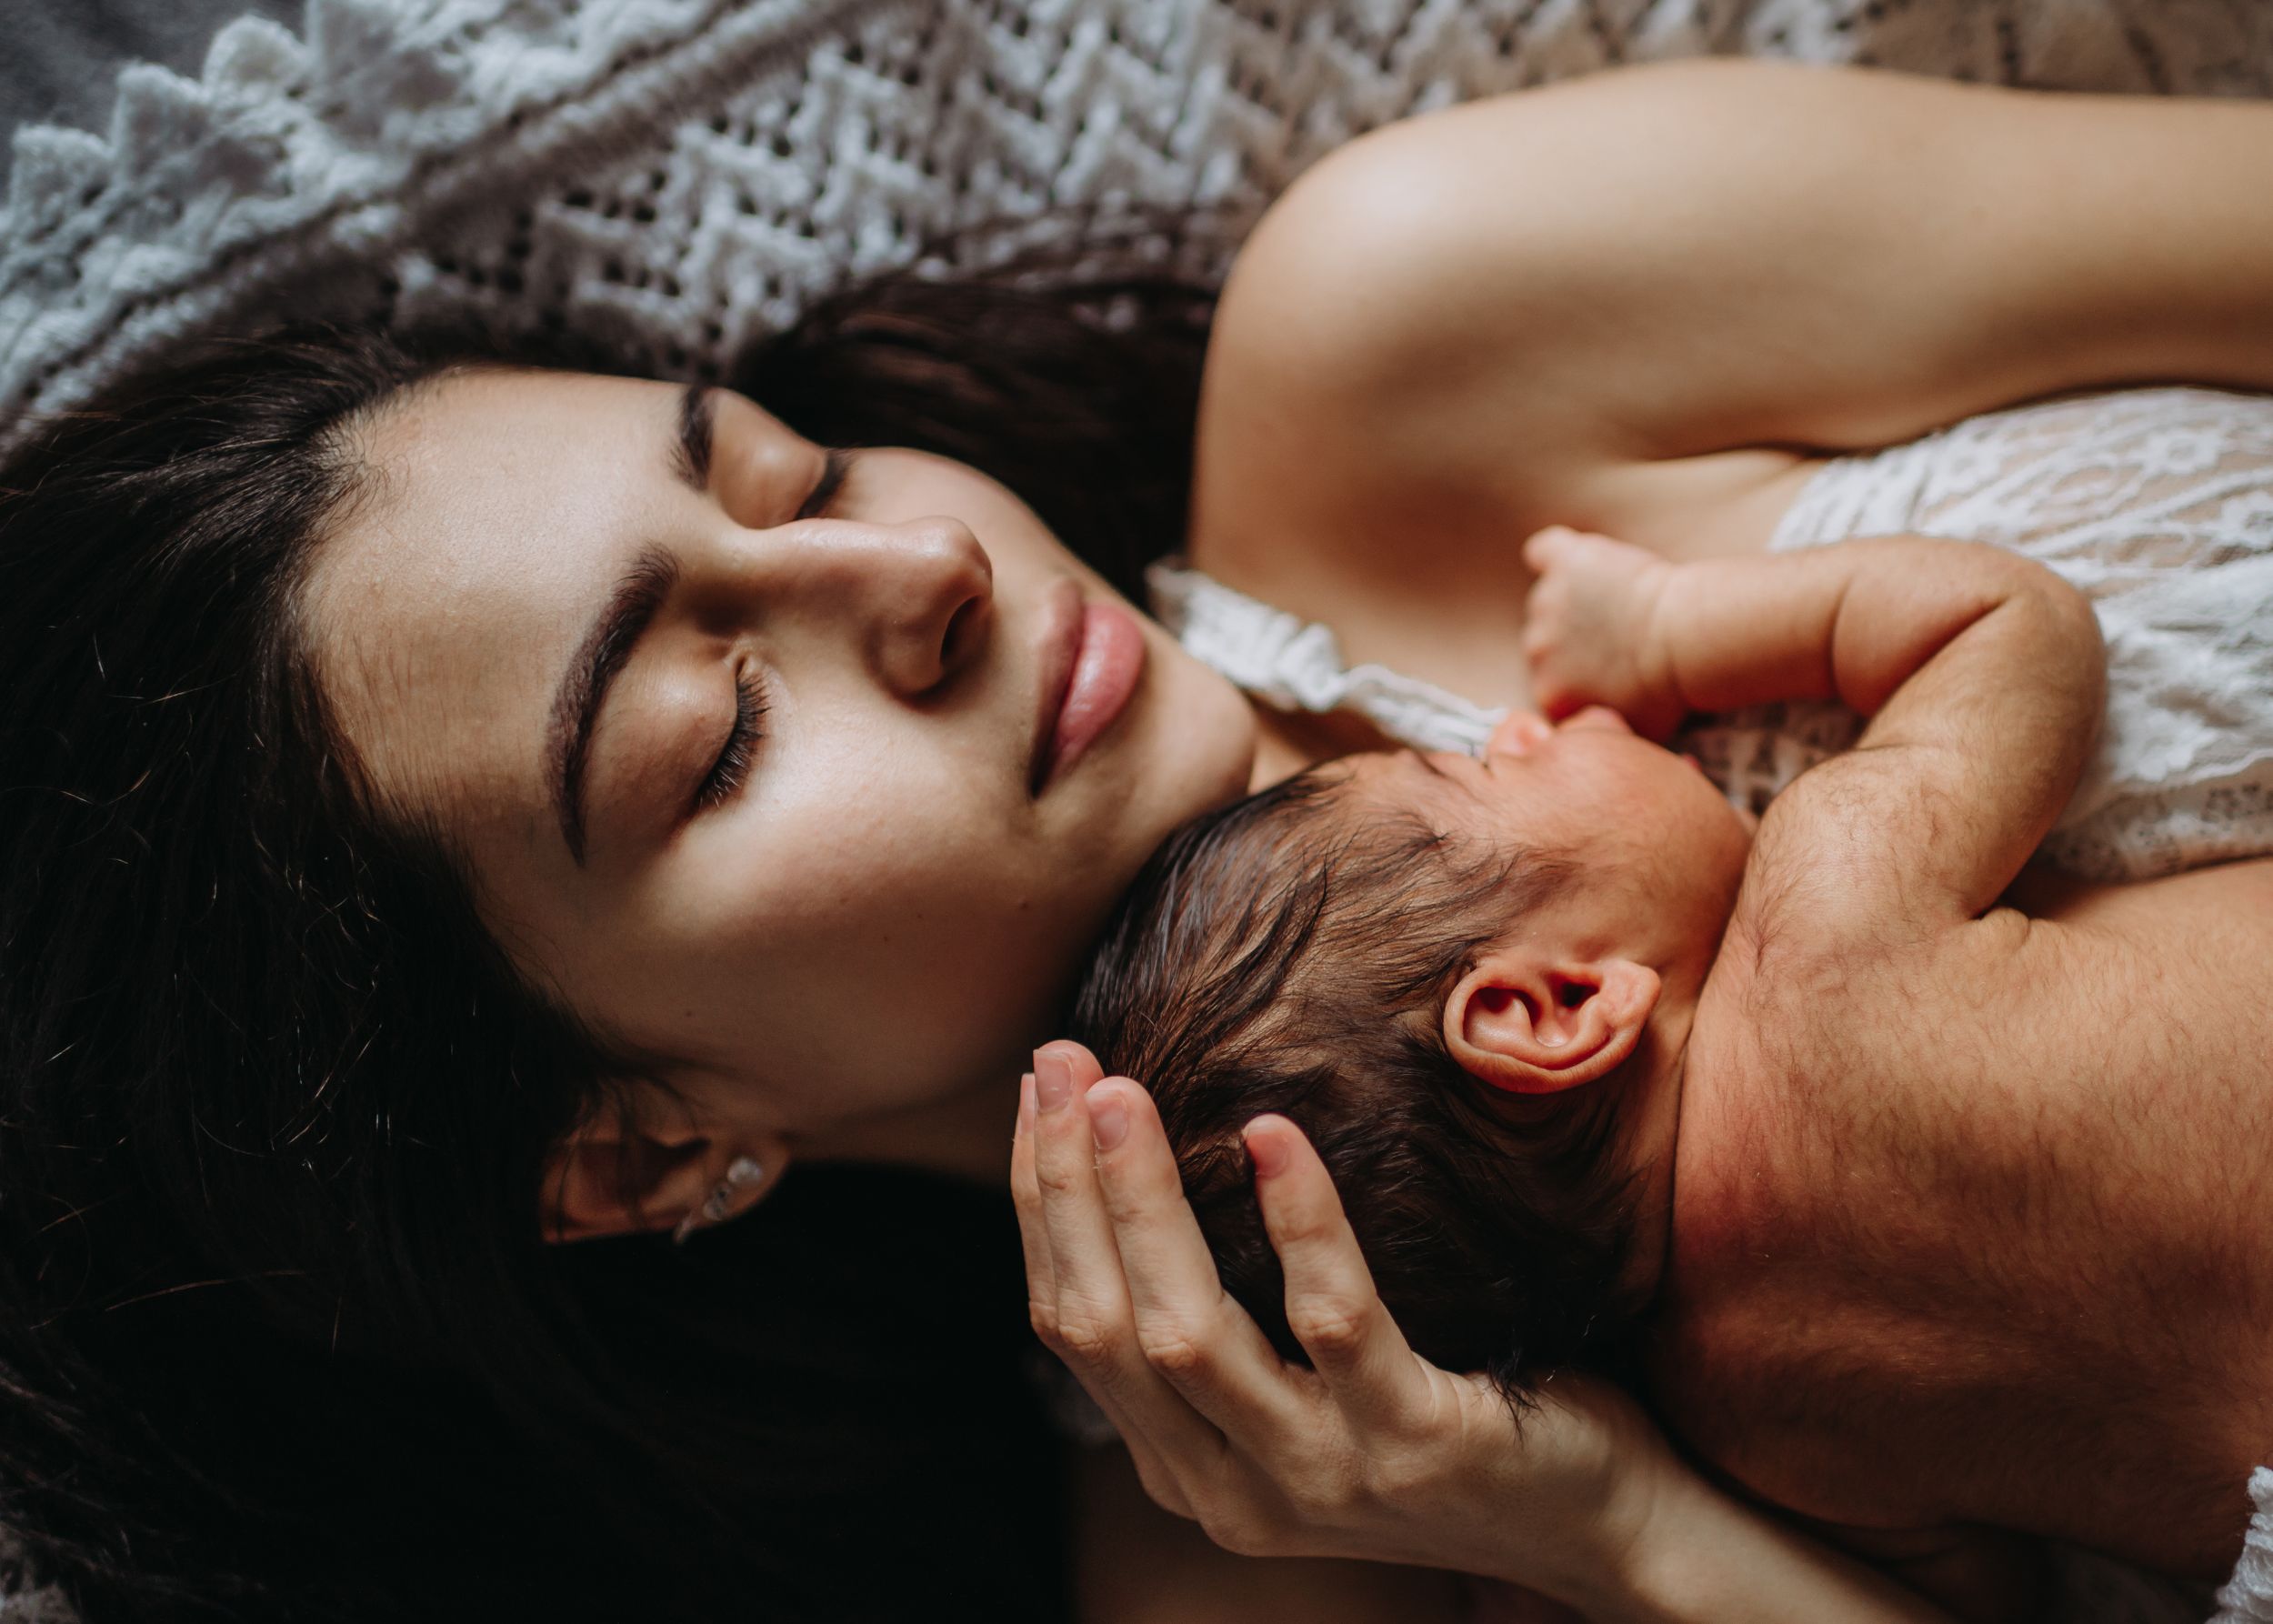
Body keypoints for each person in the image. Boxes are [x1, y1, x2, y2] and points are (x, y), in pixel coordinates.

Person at [4, 55, 2270, 1623]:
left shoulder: (1425, 325)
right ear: (631, 1148)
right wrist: (1599, 1520)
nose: (915, 573)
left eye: (790, 473)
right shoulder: (1289, 1537)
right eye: (712, 735)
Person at [1066, 521, 2273, 1618]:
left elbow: (2002, 1604)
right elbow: (2014, 623)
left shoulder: (1758, 1444)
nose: (1521, 723)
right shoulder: (1824, 917)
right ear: (1554, 1009)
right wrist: (1669, 633)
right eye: (1488, 770)